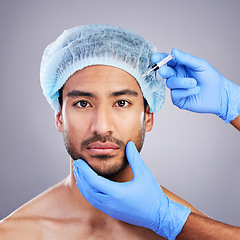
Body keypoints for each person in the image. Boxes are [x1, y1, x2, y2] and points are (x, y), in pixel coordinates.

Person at [0, 24, 239, 240]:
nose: (102, 127)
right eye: (83, 103)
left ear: (148, 116)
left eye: (122, 102)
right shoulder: (13, 234)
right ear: (60, 117)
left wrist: (235, 107)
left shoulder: (188, 229)